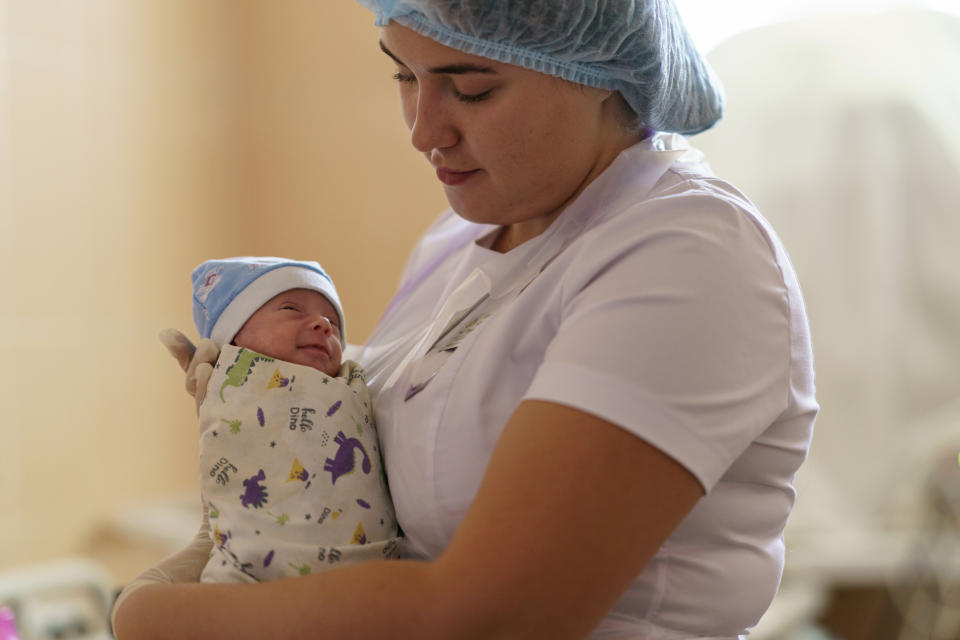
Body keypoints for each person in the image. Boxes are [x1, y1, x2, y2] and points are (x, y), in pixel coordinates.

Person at [112, 2, 817, 638]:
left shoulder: (684, 252)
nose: (424, 130)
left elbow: (494, 615)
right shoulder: (455, 246)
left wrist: (153, 613)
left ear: (594, 68)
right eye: (403, 77)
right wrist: (260, 423)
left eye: (471, 88)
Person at [190, 257, 400, 583]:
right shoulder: (230, 378)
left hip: (367, 572)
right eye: (291, 309)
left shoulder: (351, 383)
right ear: (233, 337)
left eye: (332, 320)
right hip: (251, 571)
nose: (323, 324)